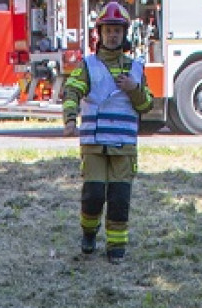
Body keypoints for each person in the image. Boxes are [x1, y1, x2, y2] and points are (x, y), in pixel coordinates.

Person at [62, 2, 153, 263]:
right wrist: (70, 119)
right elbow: (72, 91)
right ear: (99, 34)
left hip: (123, 147)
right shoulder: (88, 66)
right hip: (94, 144)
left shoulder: (136, 69)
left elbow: (146, 105)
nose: (112, 35)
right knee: (92, 195)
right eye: (108, 30)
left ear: (124, 34)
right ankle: (89, 234)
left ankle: (116, 247)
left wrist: (134, 89)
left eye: (117, 30)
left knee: (119, 199)